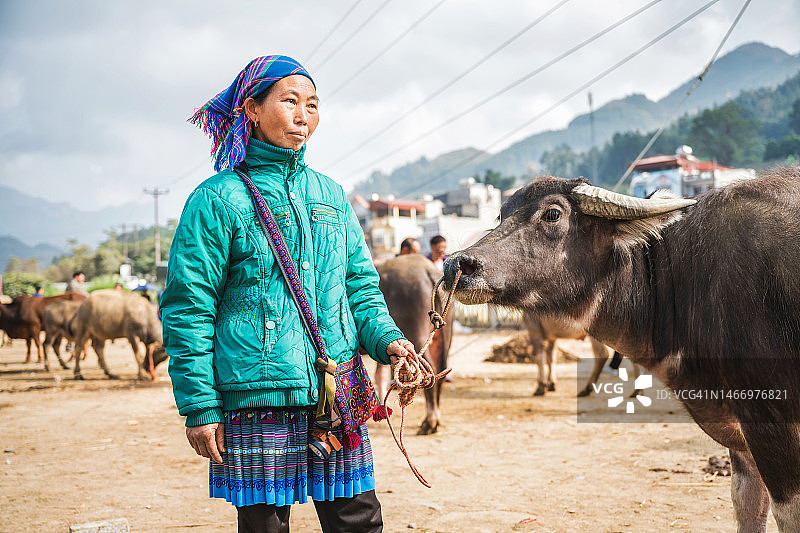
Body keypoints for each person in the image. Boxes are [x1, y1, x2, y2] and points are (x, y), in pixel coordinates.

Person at [160, 55, 415, 533]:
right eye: (291, 101)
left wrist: (389, 340)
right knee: (266, 527)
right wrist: (199, 405)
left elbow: (358, 287)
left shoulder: (332, 196)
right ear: (252, 110)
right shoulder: (217, 200)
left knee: (358, 520)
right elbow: (188, 308)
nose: (304, 115)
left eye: (313, 104)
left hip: (335, 391)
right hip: (256, 398)